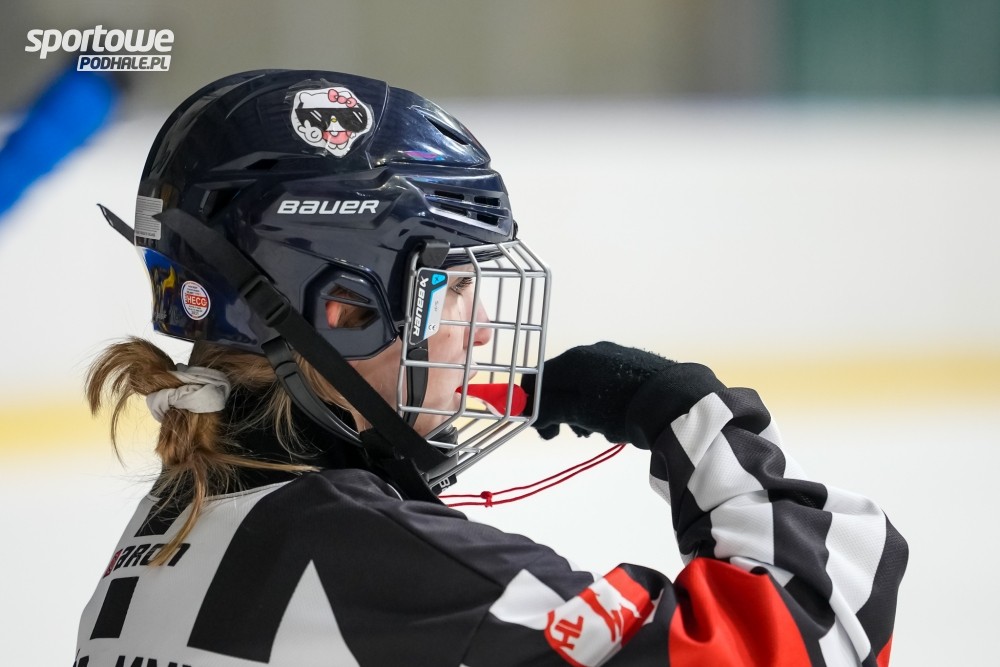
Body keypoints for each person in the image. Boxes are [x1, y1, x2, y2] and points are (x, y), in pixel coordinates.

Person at [76, 70, 906, 667]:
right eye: (452, 284)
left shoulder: (172, 521)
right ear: (342, 308)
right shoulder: (374, 560)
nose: (476, 333)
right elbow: (815, 631)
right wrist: (693, 417)